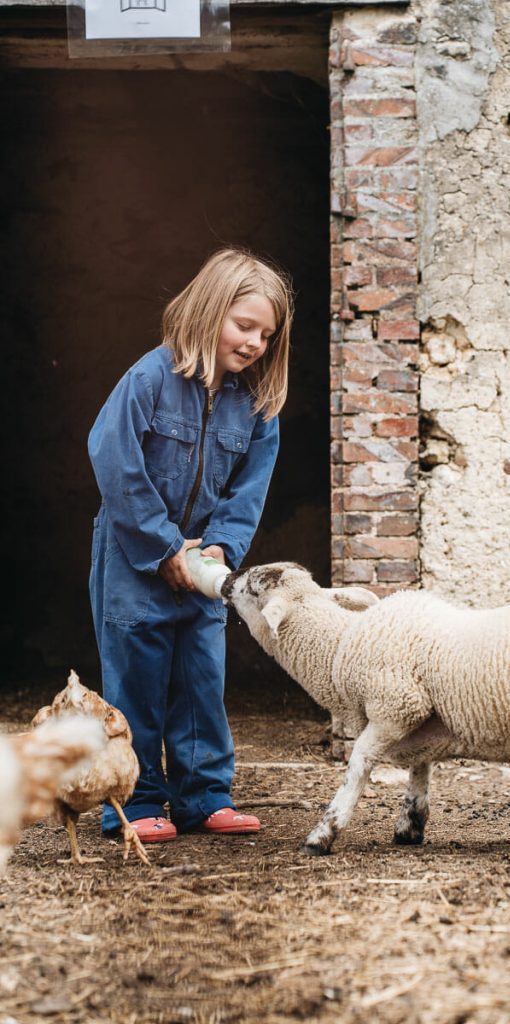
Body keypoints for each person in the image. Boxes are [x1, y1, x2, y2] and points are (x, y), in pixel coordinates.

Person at [88, 248, 292, 842]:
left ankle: (205, 797)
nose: (255, 342)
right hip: (134, 554)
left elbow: (249, 489)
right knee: (137, 680)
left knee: (202, 676)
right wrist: (162, 546)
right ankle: (135, 800)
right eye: (244, 325)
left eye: (266, 334)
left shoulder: (256, 405)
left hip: (203, 562)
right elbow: (115, 461)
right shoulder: (149, 379)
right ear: (209, 311)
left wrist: (221, 551)